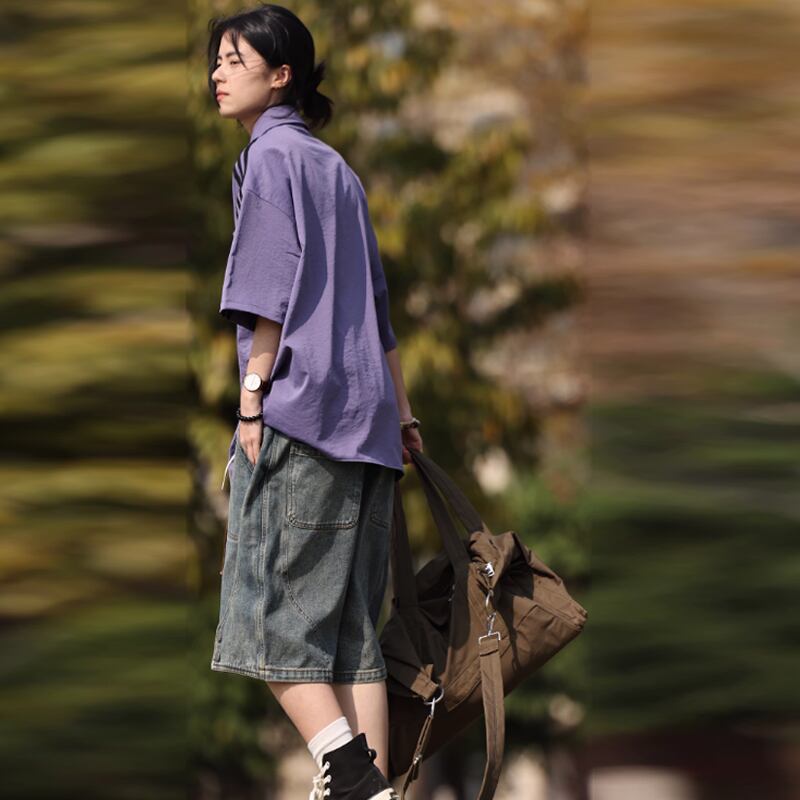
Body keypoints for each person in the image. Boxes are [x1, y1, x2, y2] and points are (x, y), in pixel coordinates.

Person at [206, 5, 423, 800]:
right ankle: (375, 790)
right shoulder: (336, 168)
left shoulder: (270, 157)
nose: (218, 73)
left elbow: (269, 290)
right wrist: (404, 416)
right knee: (351, 638)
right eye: (215, 60)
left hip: (302, 416)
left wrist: (252, 398)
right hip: (369, 429)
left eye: (235, 59)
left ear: (282, 74)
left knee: (262, 615)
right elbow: (379, 310)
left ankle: (352, 774)